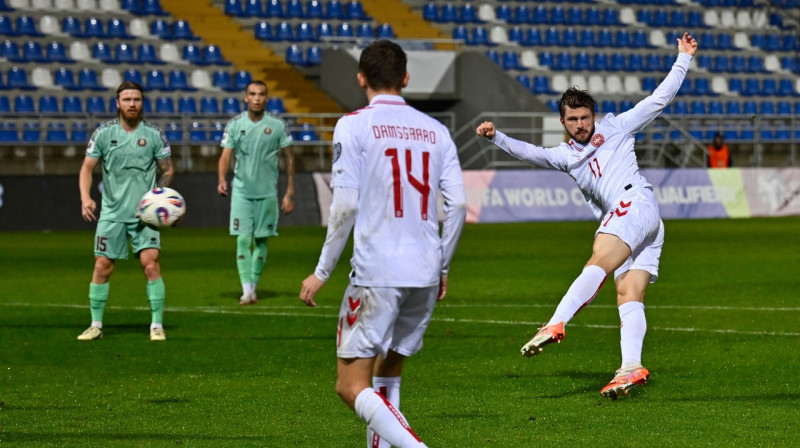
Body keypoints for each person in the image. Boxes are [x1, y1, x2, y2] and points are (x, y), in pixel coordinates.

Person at [476, 32, 698, 399]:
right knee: (628, 294)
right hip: (644, 222)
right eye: (572, 119)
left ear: (594, 115)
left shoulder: (617, 127)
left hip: (633, 203)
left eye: (584, 117)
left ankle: (556, 320)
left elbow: (659, 99)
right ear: (563, 122)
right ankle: (631, 367)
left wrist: (683, 57)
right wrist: (496, 137)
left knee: (598, 258)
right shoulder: (565, 156)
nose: (580, 124)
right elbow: (530, 152)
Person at [299, 40, 466, 448]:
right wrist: (443, 265)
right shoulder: (437, 131)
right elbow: (458, 204)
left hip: (377, 270)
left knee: (349, 385)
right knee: (388, 369)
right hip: (425, 269)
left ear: (361, 80)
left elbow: (345, 205)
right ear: (406, 78)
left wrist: (322, 271)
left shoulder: (353, 124)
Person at [77, 81, 174, 341]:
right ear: (117, 103)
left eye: (137, 100)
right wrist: (86, 198)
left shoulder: (154, 134)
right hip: (112, 213)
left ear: (143, 103)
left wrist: (156, 199)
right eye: (127, 99)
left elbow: (166, 170)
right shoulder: (103, 134)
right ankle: (95, 325)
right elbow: (87, 169)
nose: (132, 104)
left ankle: (156, 326)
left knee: (150, 264)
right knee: (102, 266)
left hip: (145, 216)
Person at [217, 81, 295, 305]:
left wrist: (290, 191)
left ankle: (253, 286)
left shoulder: (278, 126)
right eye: (252, 94)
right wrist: (222, 179)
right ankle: (247, 290)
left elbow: (290, 157)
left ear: (266, 98)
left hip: (268, 193)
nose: (257, 98)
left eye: (261, 94)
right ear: (246, 98)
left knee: (261, 241)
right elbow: (225, 156)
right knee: (242, 240)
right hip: (241, 191)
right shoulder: (234, 125)